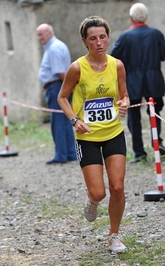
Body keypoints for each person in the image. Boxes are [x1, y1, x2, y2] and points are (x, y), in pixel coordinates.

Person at [57, 16, 129, 254]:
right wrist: (74, 119)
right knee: (99, 192)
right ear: (85, 42)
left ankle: (114, 235)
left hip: (113, 132)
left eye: (102, 37)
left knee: (117, 187)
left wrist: (124, 103)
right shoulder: (77, 67)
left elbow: (124, 95)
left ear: (108, 38)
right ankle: (92, 200)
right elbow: (62, 97)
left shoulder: (117, 65)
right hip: (87, 137)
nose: (99, 42)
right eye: (93, 38)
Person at [111, 2, 165, 163]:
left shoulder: (125, 36)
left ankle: (139, 153)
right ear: (146, 17)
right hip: (154, 79)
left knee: (133, 117)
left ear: (131, 18)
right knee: (155, 113)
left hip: (132, 81)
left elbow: (113, 56)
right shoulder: (156, 34)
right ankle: (157, 143)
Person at [36, 23, 77, 164]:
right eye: (38, 35)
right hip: (58, 87)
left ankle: (61, 155)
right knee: (65, 120)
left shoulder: (53, 49)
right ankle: (70, 152)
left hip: (56, 88)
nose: (39, 38)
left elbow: (60, 72)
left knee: (58, 122)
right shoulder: (55, 46)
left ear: (49, 33)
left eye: (41, 34)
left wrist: (67, 89)